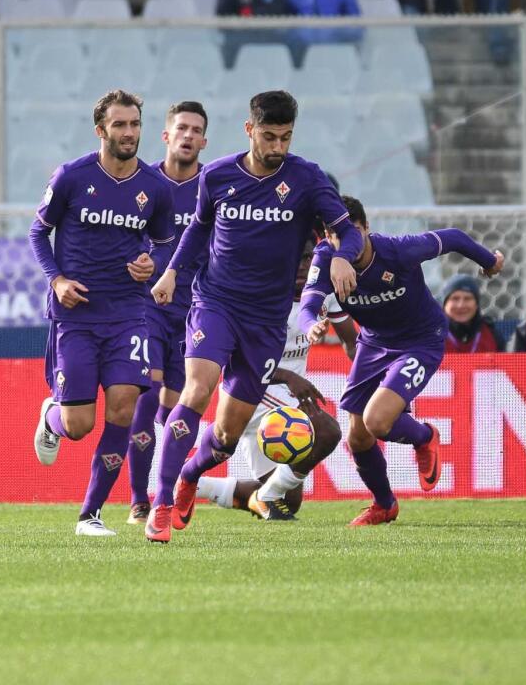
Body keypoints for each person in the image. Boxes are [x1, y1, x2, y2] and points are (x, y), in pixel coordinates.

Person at [143, 90, 364, 544]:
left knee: (224, 435)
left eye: (285, 138)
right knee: (198, 388)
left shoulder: (308, 179)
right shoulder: (219, 176)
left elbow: (349, 232)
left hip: (266, 320)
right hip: (215, 303)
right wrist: (170, 273)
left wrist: (343, 257)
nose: (277, 147)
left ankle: (190, 477)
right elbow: (198, 232)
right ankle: (161, 504)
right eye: (268, 136)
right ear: (250, 130)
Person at [298, 197, 503, 525]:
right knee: (358, 437)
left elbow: (451, 237)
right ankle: (384, 505)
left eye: (350, 233)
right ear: (327, 237)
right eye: (335, 236)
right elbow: (307, 305)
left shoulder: (397, 251)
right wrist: (312, 326)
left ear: (366, 228)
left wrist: (488, 260)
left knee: (376, 421)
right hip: (374, 343)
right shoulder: (326, 260)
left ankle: (425, 436)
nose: (344, 244)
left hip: (420, 340)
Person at [29, 90, 176, 537]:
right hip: (76, 316)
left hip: (130, 314)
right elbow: (39, 233)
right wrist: (56, 280)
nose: (129, 133)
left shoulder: (154, 186)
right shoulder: (73, 177)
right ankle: (52, 416)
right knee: (79, 425)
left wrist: (153, 263)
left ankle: (90, 515)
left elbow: (166, 244)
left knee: (124, 408)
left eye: (134, 124)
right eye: (119, 125)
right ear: (101, 131)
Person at [194, 232, 347, 522]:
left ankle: (194, 484)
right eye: (296, 259)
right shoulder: (260, 299)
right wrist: (289, 376)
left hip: (291, 399)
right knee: (327, 431)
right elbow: (234, 358)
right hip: (255, 392)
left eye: (309, 258)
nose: (303, 266)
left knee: (289, 501)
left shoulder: (323, 294)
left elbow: (353, 341)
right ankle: (262, 496)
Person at [125, 101, 208, 524]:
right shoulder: (142, 182)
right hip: (146, 309)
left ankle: (172, 484)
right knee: (146, 395)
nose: (188, 136)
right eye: (181, 128)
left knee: (172, 408)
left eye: (196, 130)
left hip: (194, 313)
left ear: (204, 141)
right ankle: (141, 500)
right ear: (166, 136)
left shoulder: (212, 187)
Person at [442, 273, 504, 352]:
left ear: (476, 304)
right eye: (455, 298)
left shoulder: (491, 334)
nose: (461, 305)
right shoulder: (430, 334)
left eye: (467, 298)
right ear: (444, 304)